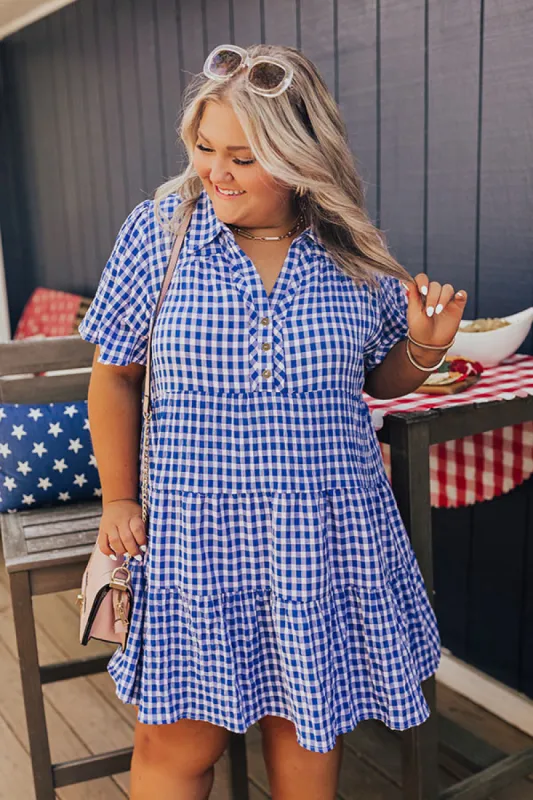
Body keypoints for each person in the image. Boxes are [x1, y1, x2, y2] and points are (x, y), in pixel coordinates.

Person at [78, 43, 467, 800]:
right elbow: (115, 374)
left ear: (300, 158)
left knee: (305, 737)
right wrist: (119, 497)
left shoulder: (352, 248)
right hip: (197, 534)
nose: (214, 172)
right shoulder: (158, 231)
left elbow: (375, 376)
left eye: (243, 156)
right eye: (203, 148)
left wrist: (423, 346)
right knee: (174, 746)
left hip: (322, 535)